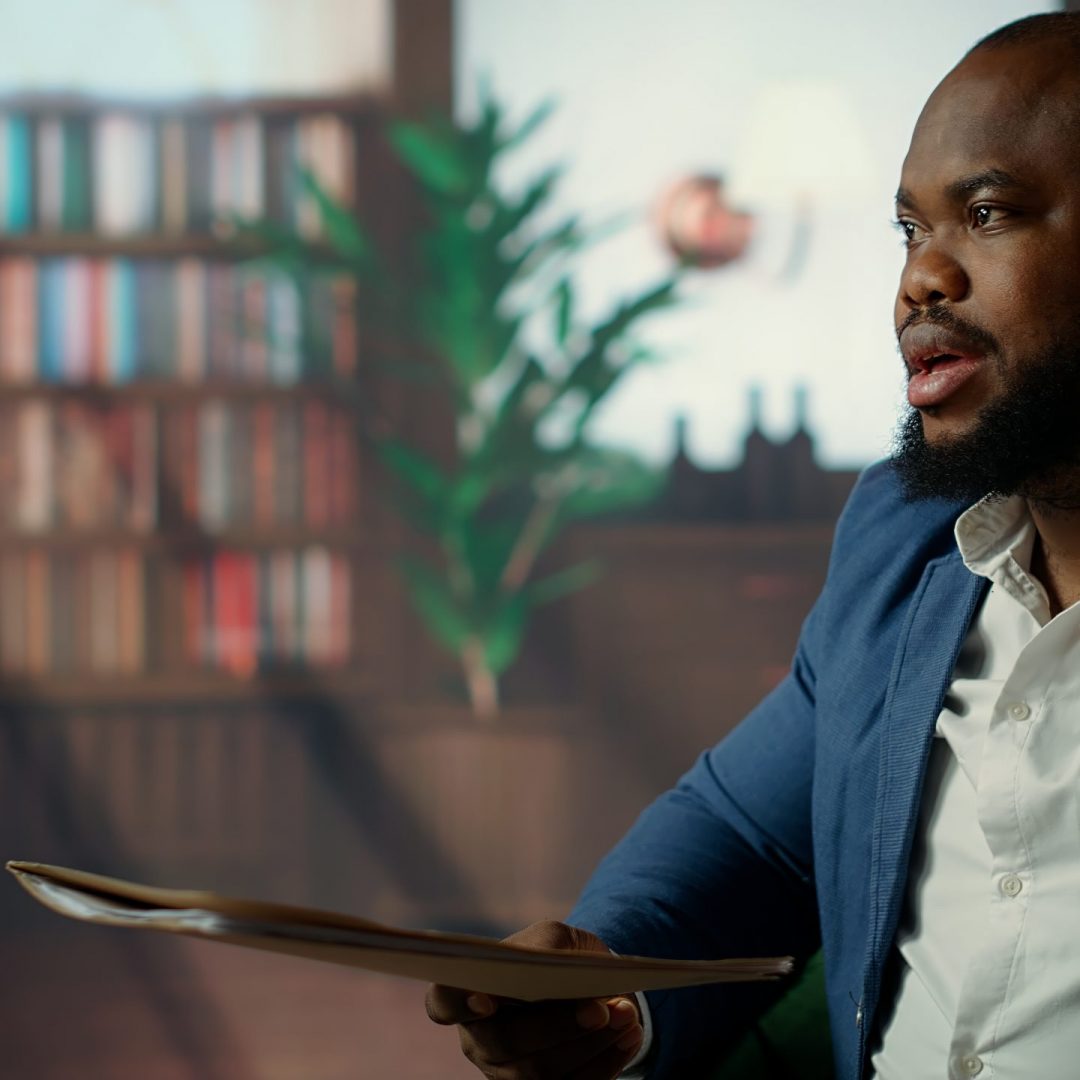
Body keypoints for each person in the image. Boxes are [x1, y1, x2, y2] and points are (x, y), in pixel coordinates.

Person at [425, 12, 1080, 1078]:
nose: (923, 280)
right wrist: (602, 1003)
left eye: (989, 213)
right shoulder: (905, 549)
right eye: (911, 230)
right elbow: (746, 839)